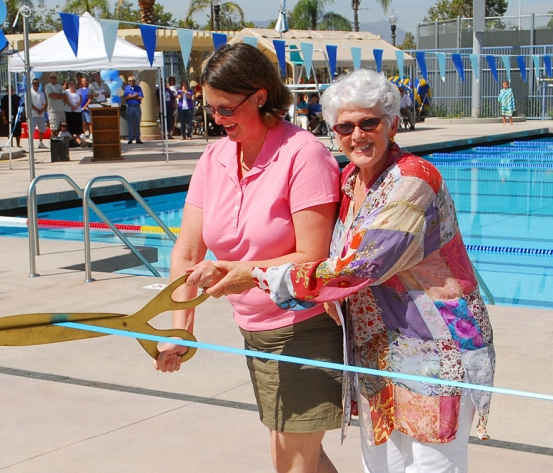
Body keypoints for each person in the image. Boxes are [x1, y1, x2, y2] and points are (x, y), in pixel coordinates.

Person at [209, 69, 496, 473]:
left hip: (436, 351)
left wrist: (254, 275)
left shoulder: (413, 181)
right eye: (345, 126)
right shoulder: (349, 180)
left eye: (369, 122)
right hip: (379, 352)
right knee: (379, 466)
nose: (356, 134)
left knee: (430, 467)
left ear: (393, 124)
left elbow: (359, 267)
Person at [155, 43, 343, 473]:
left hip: (305, 329)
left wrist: (249, 273)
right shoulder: (215, 157)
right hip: (254, 332)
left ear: (260, 96)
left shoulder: (303, 154)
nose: (217, 120)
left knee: (291, 462)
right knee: (305, 458)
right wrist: (180, 329)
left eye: (226, 109)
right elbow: (186, 252)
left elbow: (313, 259)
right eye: (211, 110)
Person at [123, 76, 143, 144]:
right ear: (128, 82)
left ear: (135, 81)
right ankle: (130, 139)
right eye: (130, 81)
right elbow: (126, 97)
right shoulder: (126, 88)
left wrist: (131, 96)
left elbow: (140, 97)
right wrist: (134, 96)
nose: (131, 82)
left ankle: (138, 138)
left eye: (133, 81)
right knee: (130, 124)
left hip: (137, 107)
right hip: (129, 107)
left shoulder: (138, 88)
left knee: (137, 123)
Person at [30, 79, 48, 149]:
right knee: (31, 130)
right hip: (33, 114)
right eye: (35, 83)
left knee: (41, 129)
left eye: (37, 83)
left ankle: (40, 143)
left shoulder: (41, 93)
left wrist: (42, 110)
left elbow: (44, 103)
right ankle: (30, 143)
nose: (36, 85)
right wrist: (38, 110)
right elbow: (30, 104)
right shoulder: (30, 93)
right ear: (32, 84)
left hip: (41, 114)